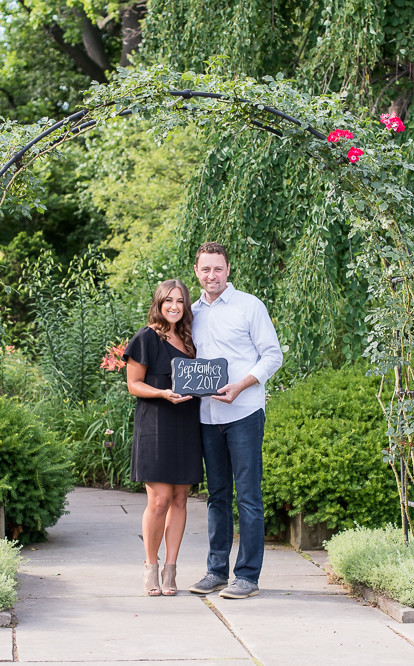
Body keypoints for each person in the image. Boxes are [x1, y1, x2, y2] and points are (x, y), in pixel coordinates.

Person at [187, 242, 283, 600]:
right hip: (207, 416)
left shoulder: (249, 306)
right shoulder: (191, 312)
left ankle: (247, 576)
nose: (212, 275)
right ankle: (215, 571)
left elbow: (273, 356)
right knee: (217, 496)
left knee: (248, 496)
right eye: (205, 269)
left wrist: (242, 386)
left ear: (228, 271)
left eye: (218, 269)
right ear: (196, 271)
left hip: (243, 414)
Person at [123, 279, 204, 596]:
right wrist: (163, 393)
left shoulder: (190, 340)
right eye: (168, 300)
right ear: (158, 303)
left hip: (187, 423)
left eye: (180, 301)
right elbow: (134, 385)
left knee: (181, 499)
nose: (174, 306)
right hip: (156, 423)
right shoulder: (146, 337)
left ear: (185, 307)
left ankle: (171, 569)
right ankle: (150, 567)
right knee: (158, 501)